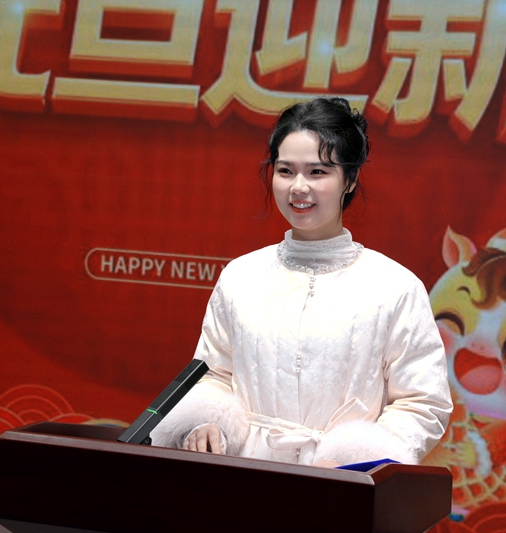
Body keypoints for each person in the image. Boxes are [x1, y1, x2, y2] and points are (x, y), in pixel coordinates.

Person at [150, 97, 452, 468]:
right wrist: (206, 421)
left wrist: (352, 462)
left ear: (350, 179)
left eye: (317, 172)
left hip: (340, 483)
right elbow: (213, 373)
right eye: (285, 170)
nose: (298, 187)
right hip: (243, 472)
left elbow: (423, 402)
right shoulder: (241, 276)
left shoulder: (395, 287)